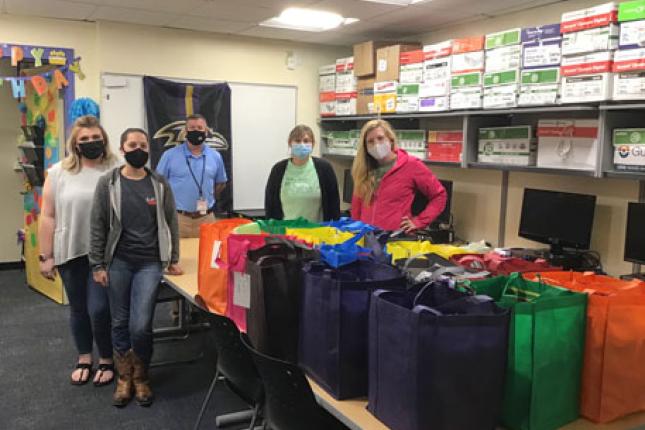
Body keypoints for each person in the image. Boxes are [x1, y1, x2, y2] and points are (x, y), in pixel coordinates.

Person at [90, 128, 182, 407]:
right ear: (122, 148)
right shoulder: (109, 183)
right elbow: (97, 225)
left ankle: (142, 375)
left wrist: (172, 258)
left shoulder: (159, 183)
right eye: (133, 144)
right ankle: (124, 377)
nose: (138, 149)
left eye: (143, 144)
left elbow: (170, 222)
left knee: (140, 325)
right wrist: (98, 264)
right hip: (118, 262)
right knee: (119, 322)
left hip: (149, 263)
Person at [38, 115, 118, 387]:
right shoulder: (58, 172)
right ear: (75, 143)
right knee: (78, 309)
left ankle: (106, 358)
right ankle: (85, 357)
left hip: (104, 255)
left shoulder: (116, 168)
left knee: (99, 309)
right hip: (69, 250)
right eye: (84, 139)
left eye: (96, 138)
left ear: (104, 139)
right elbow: (47, 215)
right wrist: (45, 256)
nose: (91, 142)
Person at [351, 119, 447, 232]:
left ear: (390, 140)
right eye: (370, 141)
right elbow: (357, 207)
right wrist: (354, 231)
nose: (376, 144)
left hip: (395, 240)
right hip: (366, 239)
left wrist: (419, 222)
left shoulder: (411, 165)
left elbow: (439, 195)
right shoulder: (363, 169)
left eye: (380, 138)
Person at [156, 113, 228, 238]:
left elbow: (220, 183)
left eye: (200, 128)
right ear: (185, 131)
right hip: (178, 219)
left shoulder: (215, 156)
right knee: (177, 256)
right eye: (192, 128)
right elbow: (158, 184)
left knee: (208, 255)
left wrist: (209, 196)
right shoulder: (169, 155)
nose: (196, 131)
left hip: (207, 219)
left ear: (206, 132)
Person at [265, 124, 340, 222]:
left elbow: (333, 204)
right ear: (290, 143)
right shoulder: (278, 170)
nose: (302, 144)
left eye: (306, 141)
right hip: (286, 233)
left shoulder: (324, 168)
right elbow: (270, 206)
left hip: (317, 233)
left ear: (312, 144)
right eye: (297, 141)